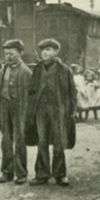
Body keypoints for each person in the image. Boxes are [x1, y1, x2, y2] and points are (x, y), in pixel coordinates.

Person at [26, 38, 77, 187]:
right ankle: (42, 174)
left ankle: (60, 175)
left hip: (58, 110)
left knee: (59, 141)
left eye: (48, 50)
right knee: (41, 141)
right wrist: (31, 110)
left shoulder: (65, 70)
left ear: (56, 52)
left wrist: (71, 111)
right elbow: (31, 91)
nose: (44, 53)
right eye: (43, 50)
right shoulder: (37, 69)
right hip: (40, 109)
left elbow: (72, 93)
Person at [0, 39, 32, 185]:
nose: (8, 56)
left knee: (19, 140)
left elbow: (29, 96)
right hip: (5, 107)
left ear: (20, 53)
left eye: (11, 54)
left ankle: (21, 173)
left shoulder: (25, 72)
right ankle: (7, 172)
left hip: (19, 108)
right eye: (6, 54)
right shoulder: (3, 70)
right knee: (6, 140)